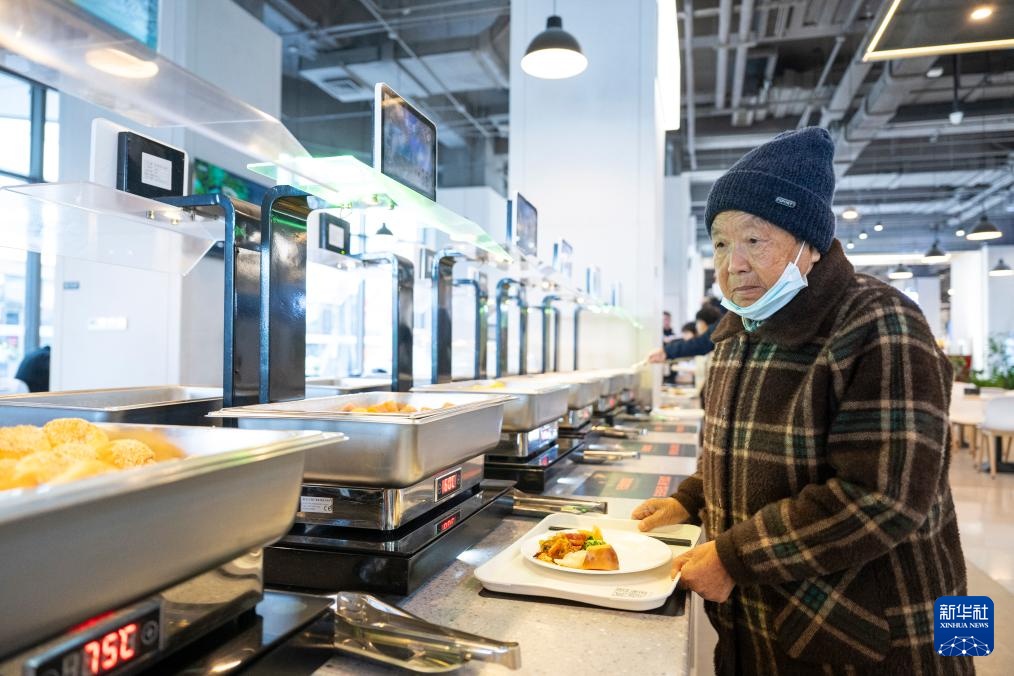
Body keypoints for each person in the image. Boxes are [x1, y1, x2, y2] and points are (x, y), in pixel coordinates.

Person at [632, 128, 969, 675]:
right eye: (720, 243)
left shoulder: (882, 324)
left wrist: (735, 557)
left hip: (871, 635)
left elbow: (883, 497)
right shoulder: (740, 328)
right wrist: (690, 500)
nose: (732, 263)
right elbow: (737, 451)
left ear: (810, 244)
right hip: (772, 620)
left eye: (754, 240)